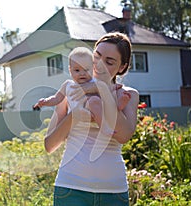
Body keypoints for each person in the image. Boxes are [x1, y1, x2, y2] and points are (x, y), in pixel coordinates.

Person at [44, 32, 139, 206]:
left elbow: (123, 136)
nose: (99, 65)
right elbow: (49, 145)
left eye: (109, 62)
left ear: (122, 67)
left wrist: (100, 90)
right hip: (70, 188)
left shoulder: (127, 95)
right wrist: (75, 116)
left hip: (113, 192)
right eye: (97, 57)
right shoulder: (71, 90)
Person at [33, 46, 131, 130]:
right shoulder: (68, 85)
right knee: (90, 104)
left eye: (86, 69)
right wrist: (46, 101)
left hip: (96, 114)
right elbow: (56, 98)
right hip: (77, 119)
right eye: (77, 70)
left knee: (96, 100)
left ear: (93, 68)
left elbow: (107, 89)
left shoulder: (96, 83)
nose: (82, 73)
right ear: (70, 70)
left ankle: (115, 111)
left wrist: (114, 87)